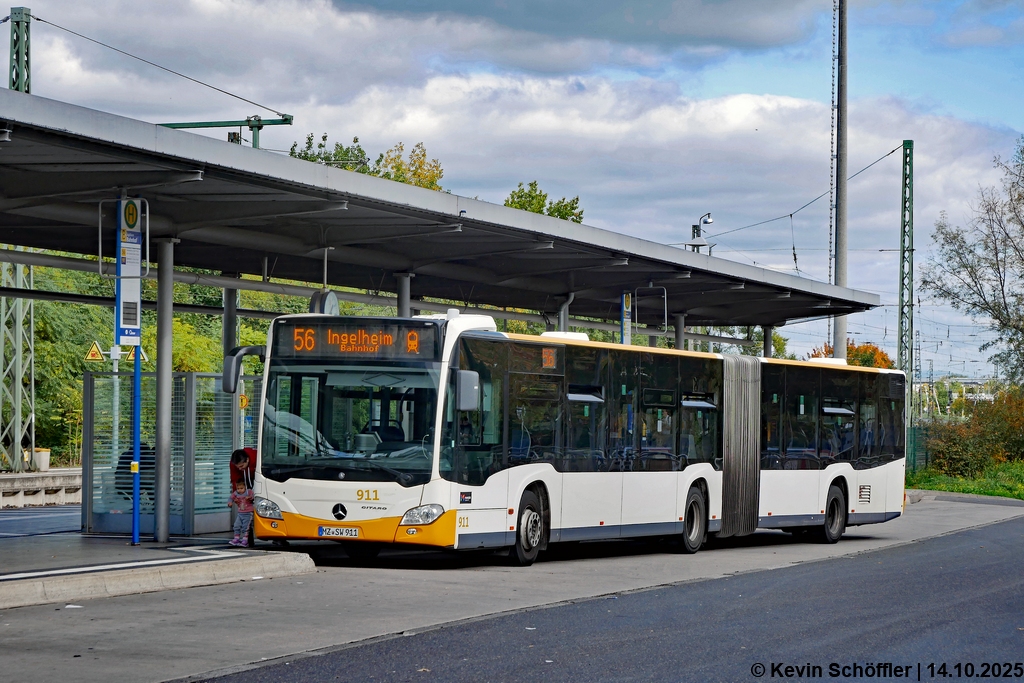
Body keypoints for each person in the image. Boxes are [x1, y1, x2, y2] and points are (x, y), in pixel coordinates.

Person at [229, 448, 257, 546]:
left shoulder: (256, 457)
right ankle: (248, 539)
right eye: (238, 467)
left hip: (256, 480)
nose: (240, 468)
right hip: (245, 485)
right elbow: (234, 480)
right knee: (246, 513)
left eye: (242, 466)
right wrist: (236, 496)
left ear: (247, 460)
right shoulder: (234, 464)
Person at [227, 479, 254, 547]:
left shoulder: (248, 492)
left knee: (245, 527)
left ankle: (245, 540)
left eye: (241, 488)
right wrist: (230, 503)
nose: (240, 490)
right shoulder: (236, 493)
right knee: (236, 525)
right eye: (238, 488)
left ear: (245, 487)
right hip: (240, 513)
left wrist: (249, 498)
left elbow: (253, 496)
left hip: (248, 513)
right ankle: (236, 538)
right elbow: (230, 498)